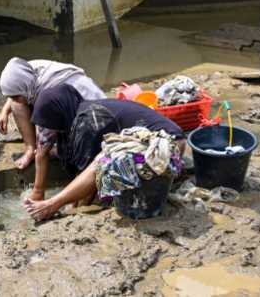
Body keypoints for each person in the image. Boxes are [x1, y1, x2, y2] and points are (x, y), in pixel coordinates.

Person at [22, 84, 185, 221]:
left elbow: (91, 176)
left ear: (58, 114)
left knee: (103, 160)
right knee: (103, 157)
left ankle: (51, 205)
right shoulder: (82, 110)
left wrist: (72, 209)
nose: (46, 131)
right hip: (162, 141)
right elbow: (58, 149)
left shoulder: (88, 120)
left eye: (48, 124)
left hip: (166, 147)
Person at [0, 57, 105, 170]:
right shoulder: (25, 72)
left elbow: (43, 148)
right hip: (70, 108)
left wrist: (38, 187)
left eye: (15, 96)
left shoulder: (46, 96)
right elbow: (17, 90)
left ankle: (62, 150)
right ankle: (30, 148)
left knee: (70, 156)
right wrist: (4, 112)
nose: (13, 99)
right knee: (17, 104)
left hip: (92, 118)